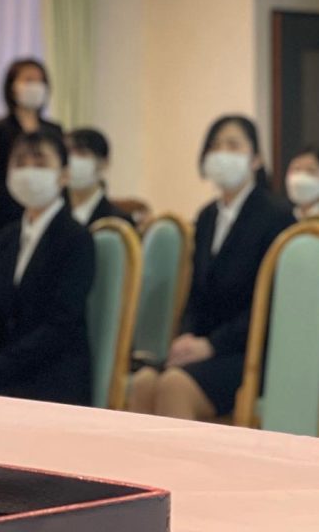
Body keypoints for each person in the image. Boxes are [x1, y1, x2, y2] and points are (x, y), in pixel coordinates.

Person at [128, 116, 293, 421]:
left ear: (256, 159)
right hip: (205, 348)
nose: (222, 153)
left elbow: (270, 305)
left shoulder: (275, 216)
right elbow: (195, 294)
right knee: (144, 382)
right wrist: (188, 336)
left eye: (233, 145)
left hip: (250, 353)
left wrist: (212, 345)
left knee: (174, 386)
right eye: (215, 146)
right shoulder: (206, 217)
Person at [0, 130, 94, 405]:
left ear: (64, 175)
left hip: (54, 380)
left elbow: (60, 327)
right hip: (5, 375)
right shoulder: (7, 238)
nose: (29, 172)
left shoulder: (76, 238)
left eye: (40, 163)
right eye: (20, 163)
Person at [0, 59, 62, 235]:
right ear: (12, 86)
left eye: (40, 81)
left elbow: (61, 174)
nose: (35, 86)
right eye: (28, 80)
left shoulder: (54, 130)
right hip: (8, 219)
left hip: (49, 218)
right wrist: (27, 208)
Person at [66, 127, 134, 227]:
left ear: (104, 163)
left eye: (82, 153)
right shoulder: (51, 214)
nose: (72, 160)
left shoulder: (118, 222)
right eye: (67, 153)